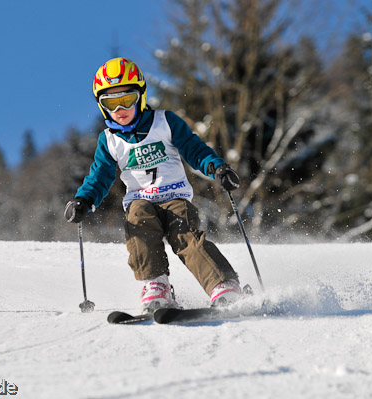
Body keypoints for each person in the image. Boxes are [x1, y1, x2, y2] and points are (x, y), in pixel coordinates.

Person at [64, 57, 243, 314]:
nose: (120, 109)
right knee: (138, 220)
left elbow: (195, 151)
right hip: (140, 200)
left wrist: (217, 168)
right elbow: (100, 176)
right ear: (102, 107)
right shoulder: (109, 140)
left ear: (141, 96)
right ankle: (156, 284)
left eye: (127, 99)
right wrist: (84, 200)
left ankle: (223, 283)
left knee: (185, 235)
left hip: (175, 197)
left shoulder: (165, 122)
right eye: (111, 103)